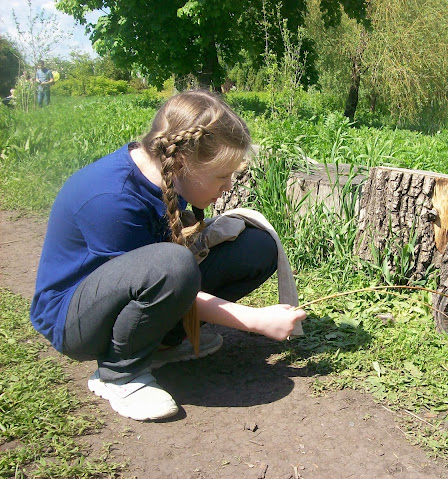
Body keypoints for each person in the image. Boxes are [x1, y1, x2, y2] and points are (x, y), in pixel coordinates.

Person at [30, 90, 307, 421]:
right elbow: (160, 275)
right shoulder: (112, 197)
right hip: (74, 320)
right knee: (173, 265)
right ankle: (119, 374)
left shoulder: (167, 175)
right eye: (221, 176)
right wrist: (255, 320)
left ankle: (164, 344)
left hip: (139, 288)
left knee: (256, 246)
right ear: (181, 162)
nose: (229, 185)